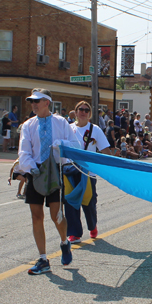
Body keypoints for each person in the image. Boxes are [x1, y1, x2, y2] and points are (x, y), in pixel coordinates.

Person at [18, 88, 81, 275]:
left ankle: (64, 242)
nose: (33, 105)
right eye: (32, 101)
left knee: (56, 215)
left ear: (47, 102)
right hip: (36, 173)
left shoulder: (61, 122)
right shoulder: (28, 125)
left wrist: (60, 145)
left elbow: (74, 145)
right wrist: (31, 167)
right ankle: (43, 259)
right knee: (36, 216)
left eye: (37, 101)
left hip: (54, 171)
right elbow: (24, 151)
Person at [65, 101, 111, 244]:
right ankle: (74, 233)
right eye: (80, 109)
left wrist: (107, 167)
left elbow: (105, 151)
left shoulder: (95, 129)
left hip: (87, 173)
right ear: (75, 112)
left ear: (89, 114)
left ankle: (92, 226)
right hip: (70, 170)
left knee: (89, 203)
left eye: (86, 110)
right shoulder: (68, 129)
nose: (83, 112)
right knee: (70, 201)